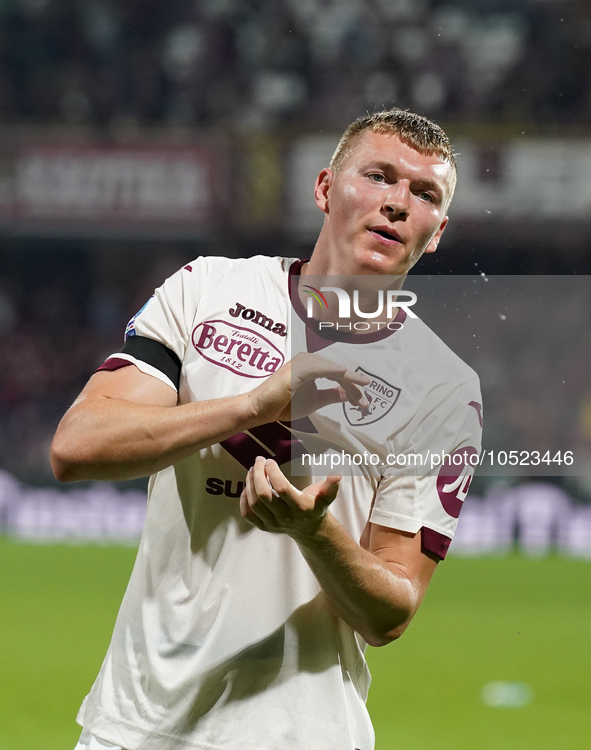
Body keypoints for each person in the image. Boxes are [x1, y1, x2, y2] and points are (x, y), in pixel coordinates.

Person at [51, 108, 482, 750]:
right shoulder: (209, 289)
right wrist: (254, 407)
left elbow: (391, 610)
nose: (397, 204)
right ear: (325, 188)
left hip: (299, 734)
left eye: (424, 195)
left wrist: (313, 532)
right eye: (380, 176)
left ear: (437, 232)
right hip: (134, 727)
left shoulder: (445, 389)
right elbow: (76, 447)